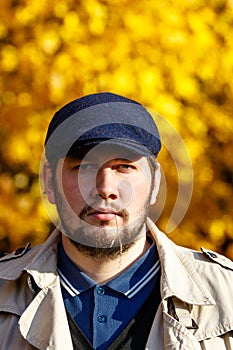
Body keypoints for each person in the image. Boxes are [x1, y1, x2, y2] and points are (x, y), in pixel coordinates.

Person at [0, 92, 232, 350]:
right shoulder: (3, 295)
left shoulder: (227, 297)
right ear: (49, 182)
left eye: (124, 167)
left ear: (155, 182)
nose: (105, 188)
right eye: (84, 167)